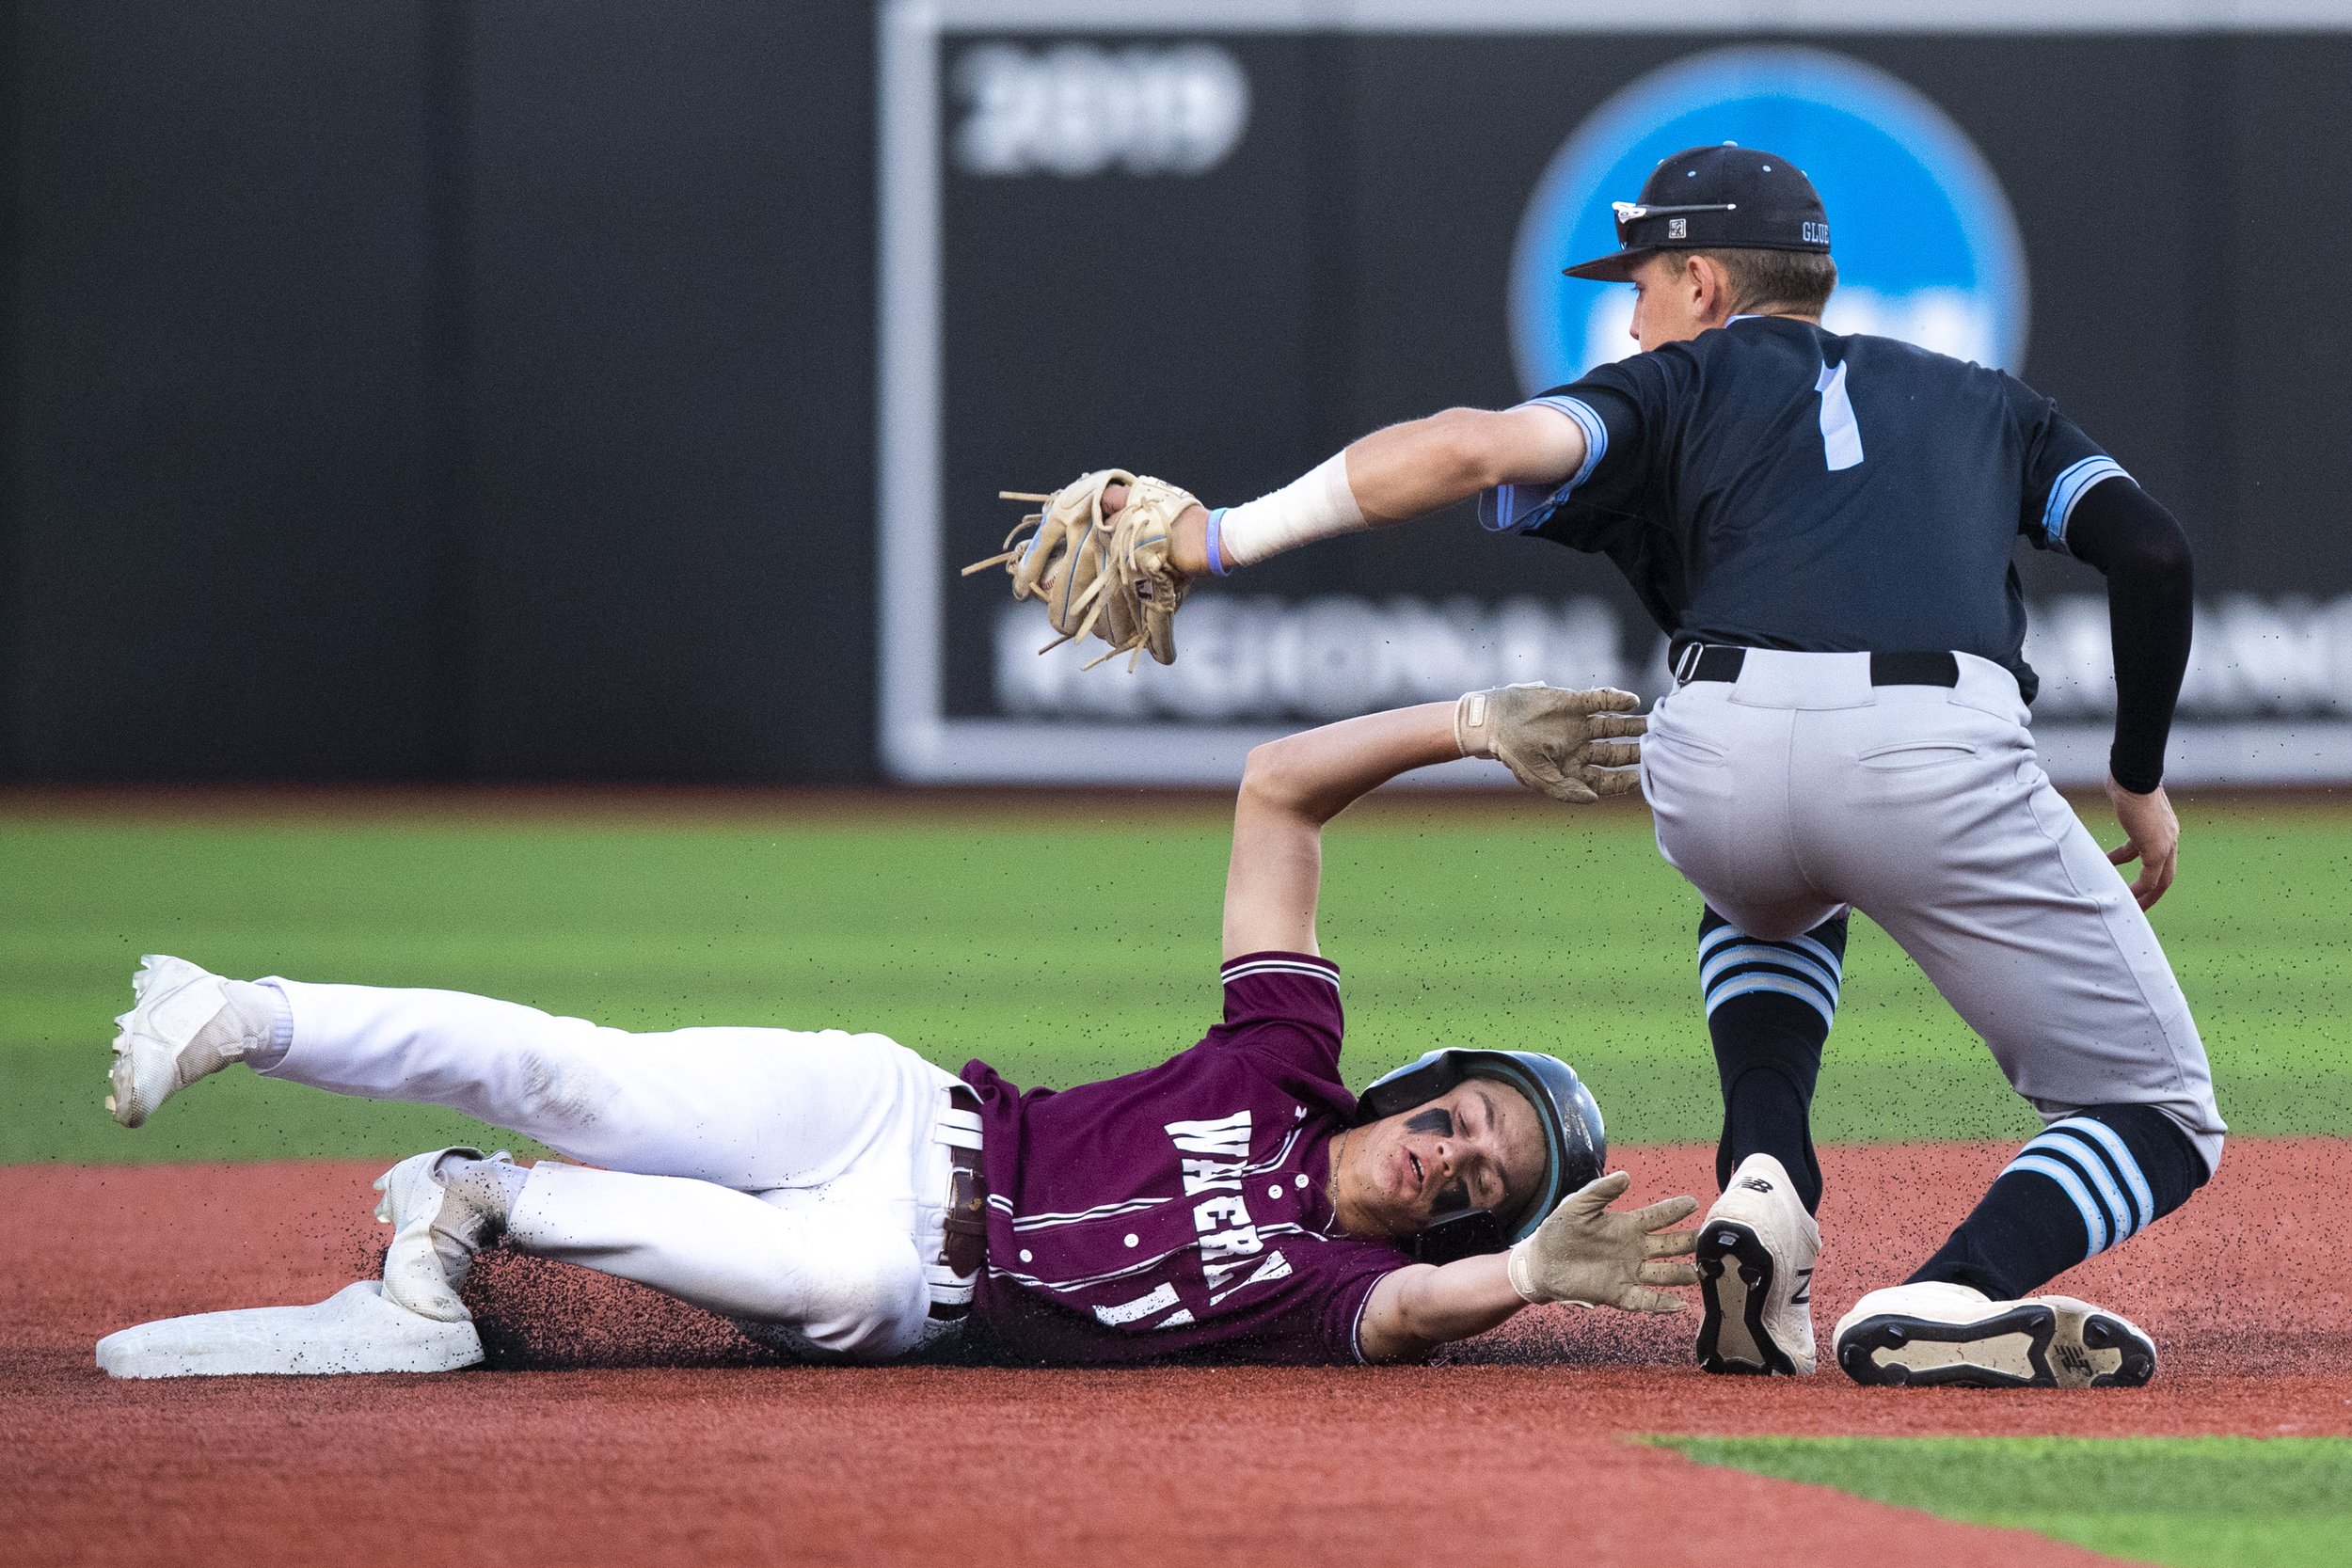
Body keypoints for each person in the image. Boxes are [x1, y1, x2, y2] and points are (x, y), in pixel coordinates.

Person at [1044, 144, 2219, 1389]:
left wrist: (1214, 539)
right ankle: (1951, 1291)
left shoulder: (1669, 389)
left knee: (1767, 891)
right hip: (1932, 737)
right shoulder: (1992, 402)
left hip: (1711, 750)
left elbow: (1463, 448)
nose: (1632, 311)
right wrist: (2136, 772)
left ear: (1702, 283)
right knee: (2159, 1113)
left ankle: (1766, 1176)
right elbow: (2153, 558)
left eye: (1643, 283)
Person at [97, 690, 1698, 1376]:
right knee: (579, 1070)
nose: (1453, 1161)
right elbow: (1280, 781)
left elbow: (1417, 1319)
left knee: (799, 1276)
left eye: (1483, 1182)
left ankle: (460, 1205)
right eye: (1468, 1119)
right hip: (888, 1118)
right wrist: (1467, 726)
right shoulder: (1286, 1062)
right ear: (1426, 1085)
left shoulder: (1341, 1292)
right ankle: (239, 1011)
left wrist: (1524, 1278)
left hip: (912, 1289)